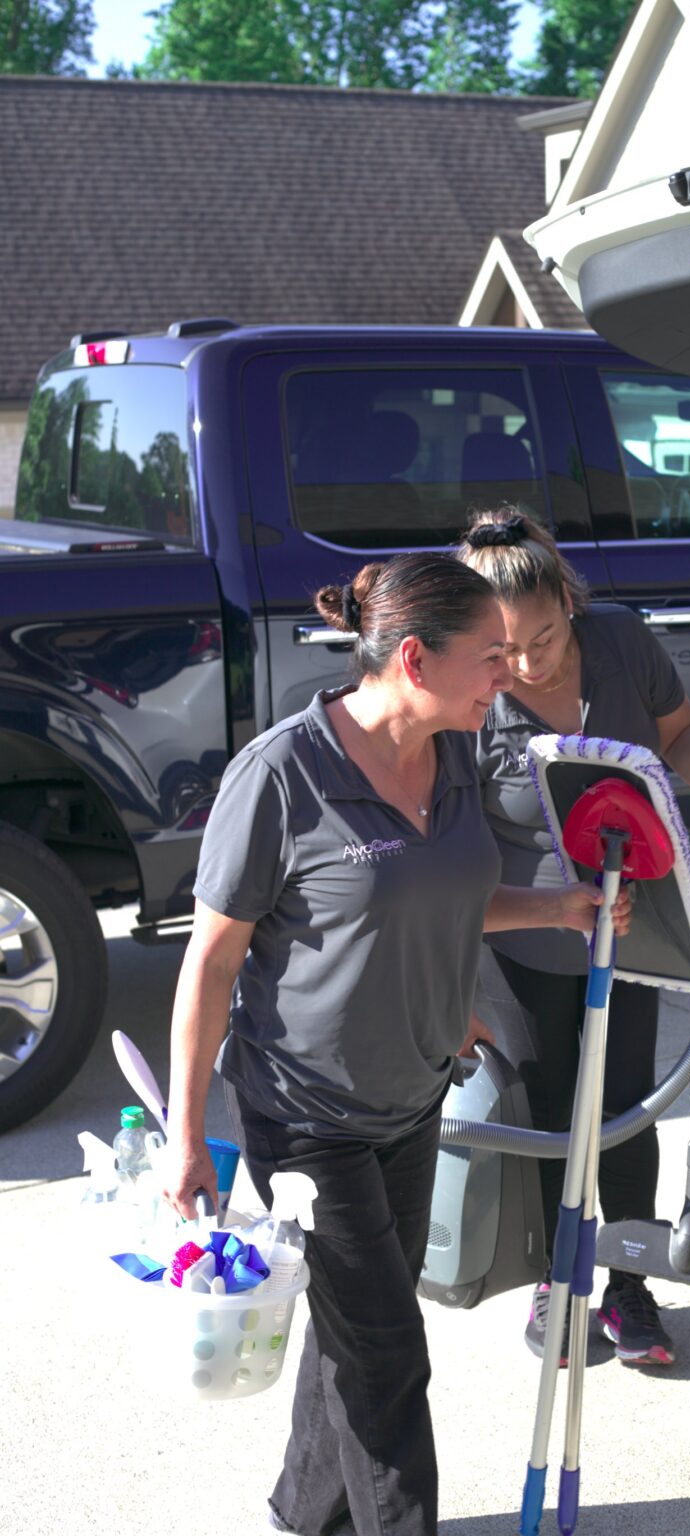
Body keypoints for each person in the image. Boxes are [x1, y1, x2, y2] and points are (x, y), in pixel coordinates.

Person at [160, 552, 629, 1536]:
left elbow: (448, 898)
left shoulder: (456, 752)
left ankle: (308, 1510)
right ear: (414, 658)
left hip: (412, 1095)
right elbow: (208, 962)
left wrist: (557, 904)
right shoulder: (284, 777)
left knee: (353, 1337)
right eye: (489, 657)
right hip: (302, 1113)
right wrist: (184, 1133)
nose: (507, 675)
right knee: (388, 1356)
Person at [456, 507, 690, 1369]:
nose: (526, 663)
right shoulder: (473, 689)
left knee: (622, 1106)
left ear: (569, 601)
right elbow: (450, 842)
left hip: (633, 924)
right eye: (504, 649)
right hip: (519, 938)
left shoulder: (621, 642)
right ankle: (559, 1277)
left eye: (543, 637)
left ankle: (624, 1276)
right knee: (554, 1110)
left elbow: (682, 731)